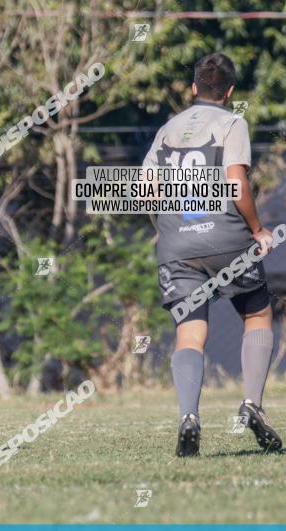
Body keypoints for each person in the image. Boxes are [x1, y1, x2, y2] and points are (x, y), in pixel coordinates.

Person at [143, 52, 282, 456]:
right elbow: (235, 182)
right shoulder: (232, 122)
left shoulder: (167, 129)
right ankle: (252, 404)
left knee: (190, 332)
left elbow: (147, 188)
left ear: (193, 89)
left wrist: (168, 230)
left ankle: (189, 415)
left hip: (177, 244)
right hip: (226, 238)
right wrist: (257, 230)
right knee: (256, 312)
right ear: (230, 92)